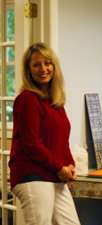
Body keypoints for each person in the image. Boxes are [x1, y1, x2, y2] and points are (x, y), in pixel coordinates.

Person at [9, 42, 81, 225]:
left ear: (54, 66)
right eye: (36, 64)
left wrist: (70, 165)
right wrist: (60, 168)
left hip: (54, 175)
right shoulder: (27, 100)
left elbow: (61, 141)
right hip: (32, 174)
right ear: (28, 70)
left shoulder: (55, 101)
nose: (43, 69)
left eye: (47, 63)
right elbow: (31, 144)